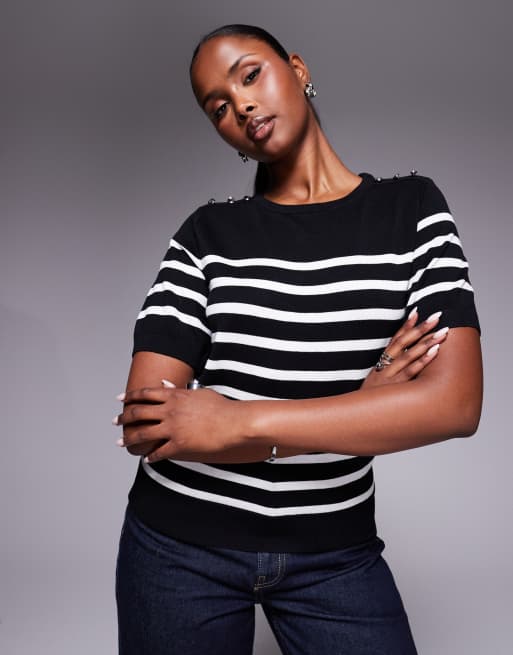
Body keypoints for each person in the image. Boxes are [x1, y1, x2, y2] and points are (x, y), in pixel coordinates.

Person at [113, 24, 482, 655]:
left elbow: (455, 405)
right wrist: (362, 408)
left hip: (335, 552)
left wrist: (238, 423)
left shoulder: (412, 210)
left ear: (298, 69)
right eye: (218, 107)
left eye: (250, 75)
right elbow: (148, 426)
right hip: (178, 550)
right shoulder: (207, 234)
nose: (241, 105)